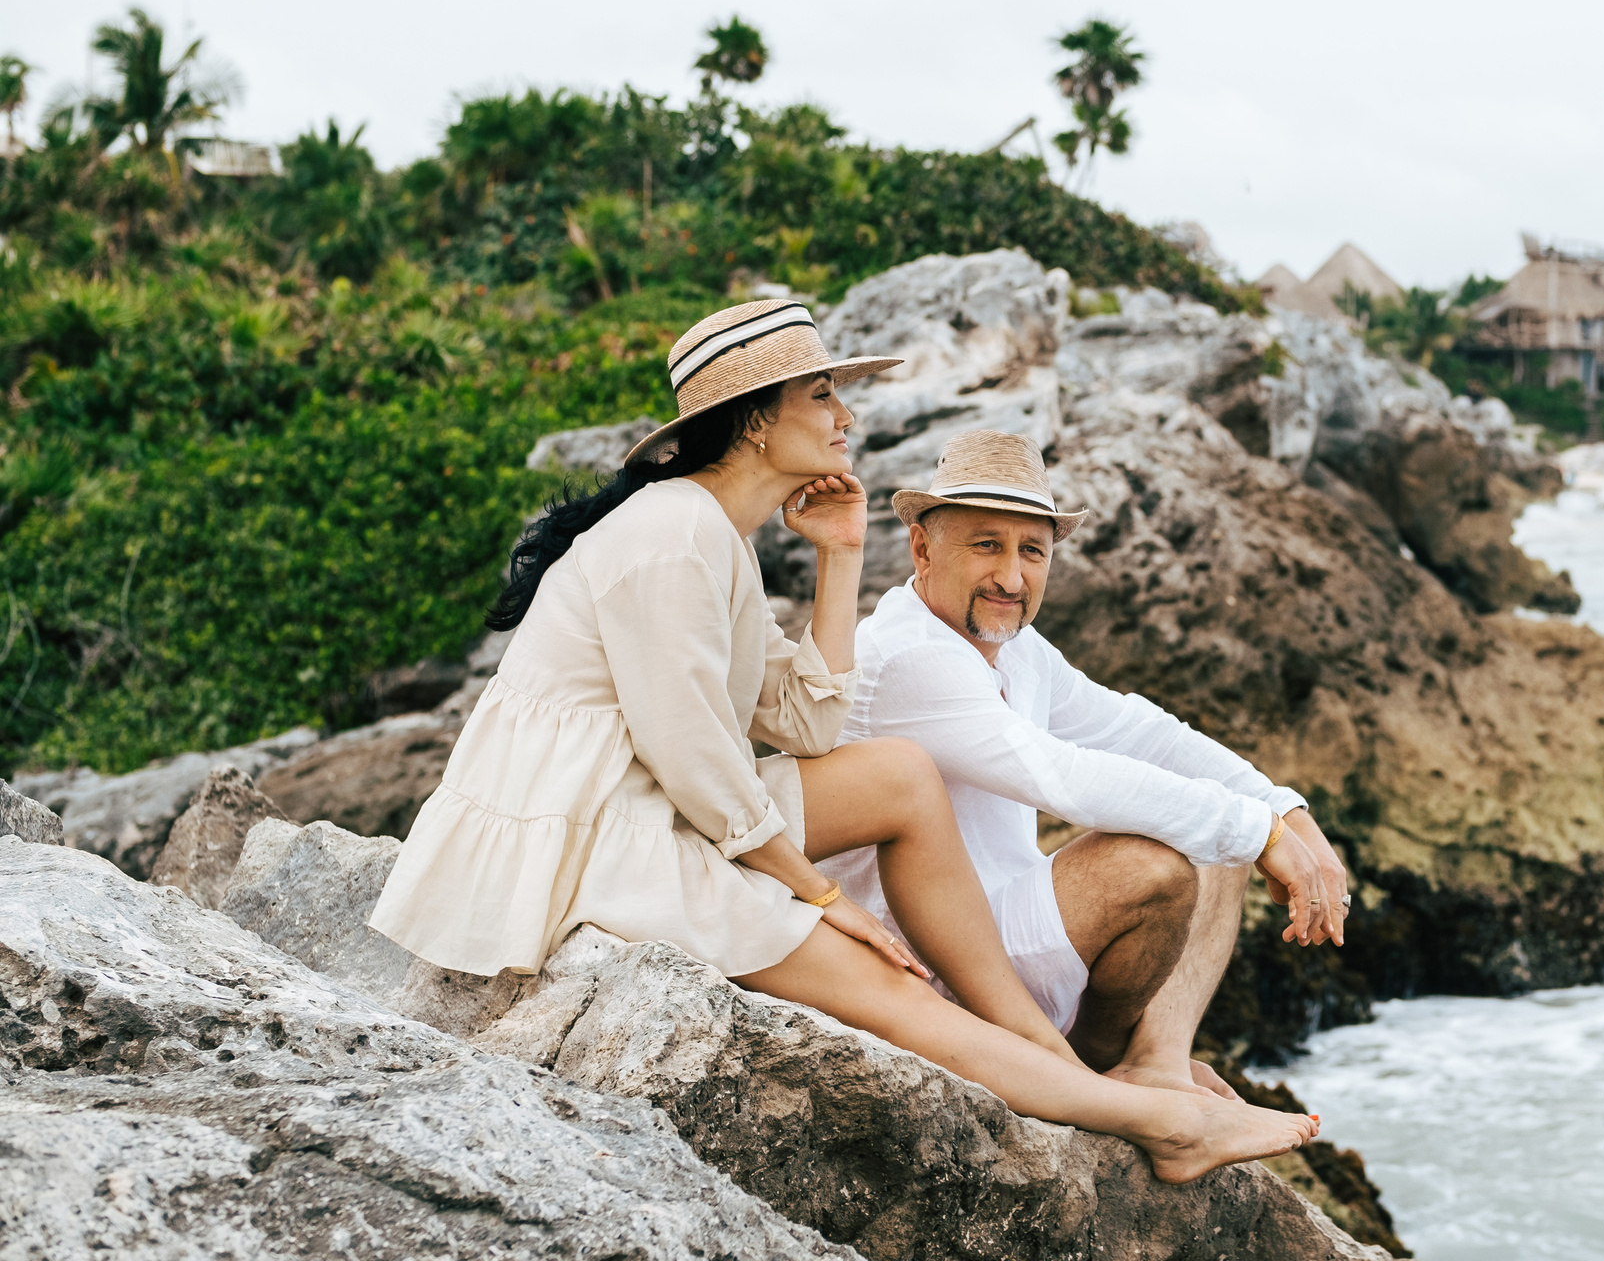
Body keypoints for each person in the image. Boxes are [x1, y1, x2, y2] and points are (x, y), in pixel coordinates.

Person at [368, 299, 1314, 1183]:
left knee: (900, 776)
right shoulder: (670, 533)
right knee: (899, 998)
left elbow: (808, 720)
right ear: (754, 420)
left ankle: (1052, 1051)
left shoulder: (714, 536)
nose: (843, 414)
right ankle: (1164, 1124)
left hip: (658, 804)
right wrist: (815, 892)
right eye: (821, 393)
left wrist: (839, 553)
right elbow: (689, 749)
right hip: (600, 831)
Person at [815, 429, 1351, 1100]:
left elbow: (1143, 734)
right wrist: (1263, 833)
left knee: (1216, 821)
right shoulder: (906, 656)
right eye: (987, 544)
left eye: (1031, 551)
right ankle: (1092, 1068)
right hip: (933, 965)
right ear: (923, 546)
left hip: (1009, 928)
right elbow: (1060, 776)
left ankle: (1155, 1061)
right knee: (1161, 861)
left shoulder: (1019, 648)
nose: (1011, 577)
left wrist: (1285, 809)